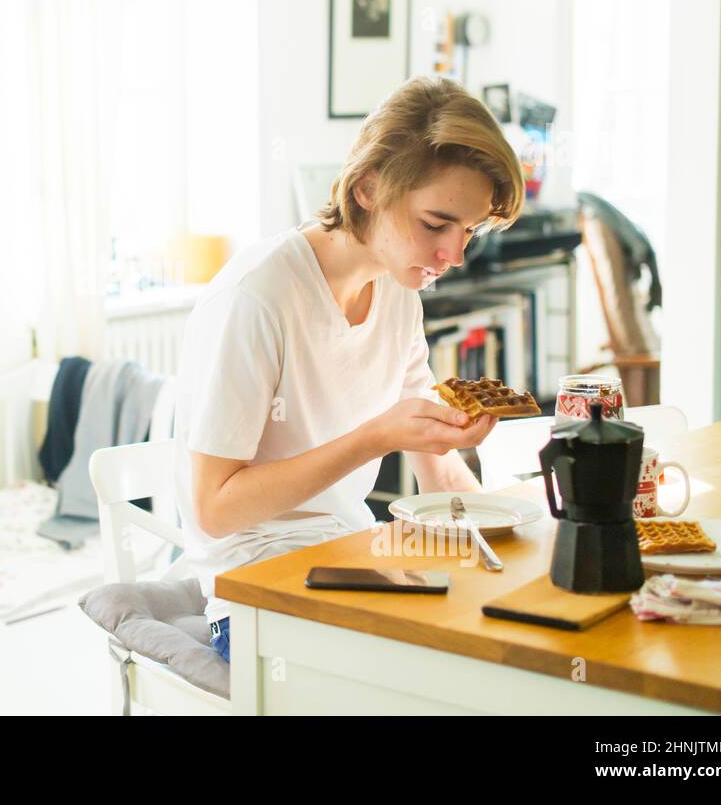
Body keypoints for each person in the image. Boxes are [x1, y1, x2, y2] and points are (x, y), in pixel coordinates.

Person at [172, 76, 526, 662]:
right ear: (367, 188)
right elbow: (214, 509)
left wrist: (516, 525)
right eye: (436, 224)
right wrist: (375, 437)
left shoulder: (398, 296)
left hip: (360, 558)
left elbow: (438, 475)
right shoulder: (257, 298)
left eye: (468, 232)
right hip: (257, 597)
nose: (454, 255)